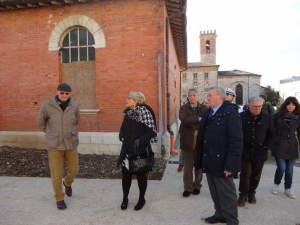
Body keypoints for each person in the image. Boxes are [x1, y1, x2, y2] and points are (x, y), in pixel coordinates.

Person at [196, 86, 243, 225]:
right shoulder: (209, 112)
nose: (207, 98)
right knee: (215, 191)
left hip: (223, 162)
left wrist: (231, 165)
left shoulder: (230, 113)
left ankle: (231, 220)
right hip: (210, 159)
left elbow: (236, 141)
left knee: (226, 193)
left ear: (220, 97)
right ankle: (220, 214)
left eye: (210, 95)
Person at [37, 83, 80, 210]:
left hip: (70, 143)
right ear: (57, 92)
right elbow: (40, 122)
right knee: (56, 174)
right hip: (54, 145)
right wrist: (50, 133)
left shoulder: (74, 105)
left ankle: (67, 183)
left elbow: (76, 120)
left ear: (70, 94)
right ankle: (59, 198)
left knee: (74, 169)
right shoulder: (47, 105)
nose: (64, 95)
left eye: (67, 93)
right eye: (62, 93)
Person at [117, 91, 157, 211]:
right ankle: (125, 199)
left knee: (141, 176)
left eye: (129, 98)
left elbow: (151, 131)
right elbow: (122, 128)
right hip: (127, 150)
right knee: (126, 176)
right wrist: (121, 135)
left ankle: (141, 199)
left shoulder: (145, 112)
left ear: (136, 100)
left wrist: (138, 141)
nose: (126, 100)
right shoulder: (128, 113)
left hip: (140, 151)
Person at [237, 97, 276, 207]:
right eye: (255, 106)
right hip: (245, 150)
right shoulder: (241, 117)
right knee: (245, 173)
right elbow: (236, 133)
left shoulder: (267, 118)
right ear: (248, 105)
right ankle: (242, 195)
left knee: (256, 175)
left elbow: (272, 134)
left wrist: (267, 146)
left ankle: (252, 193)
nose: (257, 109)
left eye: (260, 106)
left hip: (260, 151)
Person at [179, 88, 207, 197]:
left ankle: (197, 186)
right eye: (190, 95)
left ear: (198, 96)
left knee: (198, 167)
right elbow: (184, 120)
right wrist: (199, 119)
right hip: (187, 141)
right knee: (188, 167)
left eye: (194, 95)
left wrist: (193, 124)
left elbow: (206, 121)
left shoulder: (204, 108)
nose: (192, 97)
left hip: (200, 141)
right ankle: (187, 188)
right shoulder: (183, 108)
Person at [271, 97, 300, 199]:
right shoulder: (277, 116)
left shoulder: (298, 117)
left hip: (292, 145)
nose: (291, 106)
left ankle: (288, 188)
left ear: (296, 106)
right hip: (279, 144)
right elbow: (271, 130)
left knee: (289, 169)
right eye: (289, 104)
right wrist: (272, 141)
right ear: (285, 105)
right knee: (282, 167)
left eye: (293, 104)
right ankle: (276, 183)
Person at [225, 87, 240, 179]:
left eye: (228, 95)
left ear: (232, 97)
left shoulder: (234, 109)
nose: (226, 96)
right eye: (225, 94)